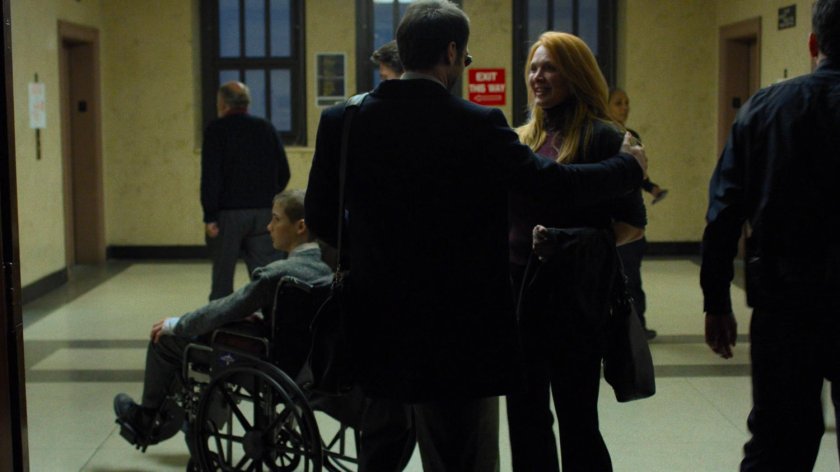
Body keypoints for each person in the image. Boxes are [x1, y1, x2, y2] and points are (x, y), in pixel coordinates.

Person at [305, 1, 647, 471]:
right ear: (450, 52)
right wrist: (628, 167)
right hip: (458, 330)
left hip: (374, 322)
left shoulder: (342, 122)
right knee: (459, 453)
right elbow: (551, 184)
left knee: (380, 446)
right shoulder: (478, 124)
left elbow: (321, 219)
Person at [701, 1, 840, 470]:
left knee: (778, 441)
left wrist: (716, 299)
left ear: (813, 43)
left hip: (785, 304)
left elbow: (723, 212)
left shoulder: (766, 108)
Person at [505, 32, 646, 472]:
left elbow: (631, 224)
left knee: (577, 418)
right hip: (518, 293)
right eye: (532, 67)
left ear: (576, 73)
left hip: (573, 300)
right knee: (525, 418)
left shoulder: (607, 139)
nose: (537, 76)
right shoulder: (522, 138)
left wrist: (573, 247)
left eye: (548, 67)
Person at [113, 189, 332, 448]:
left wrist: (177, 323)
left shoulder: (277, 274)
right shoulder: (327, 268)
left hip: (267, 362)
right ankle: (177, 418)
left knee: (166, 341)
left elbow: (225, 308)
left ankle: (147, 419)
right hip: (307, 365)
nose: (268, 226)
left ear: (300, 226)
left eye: (276, 219)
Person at [201, 80, 291, 301]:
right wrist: (269, 196)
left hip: (227, 214)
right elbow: (284, 171)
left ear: (222, 104)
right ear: (247, 103)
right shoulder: (265, 127)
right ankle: (272, 319)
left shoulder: (216, 130)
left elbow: (211, 176)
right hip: (264, 212)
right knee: (267, 273)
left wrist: (210, 215)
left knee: (222, 276)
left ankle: (222, 324)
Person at [608, 87, 668, 339]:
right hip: (609, 217)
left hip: (630, 218)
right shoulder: (602, 136)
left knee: (632, 276)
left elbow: (638, 173)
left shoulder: (632, 137)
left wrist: (651, 187)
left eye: (627, 103)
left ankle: (638, 326)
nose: (625, 107)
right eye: (619, 103)